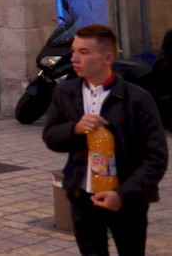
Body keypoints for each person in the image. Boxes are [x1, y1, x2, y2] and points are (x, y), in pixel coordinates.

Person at [43, 23, 167, 256]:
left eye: (84, 52)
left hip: (127, 200)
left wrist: (122, 194)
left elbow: (157, 157)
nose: (75, 58)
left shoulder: (137, 98)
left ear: (108, 57)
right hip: (82, 196)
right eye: (74, 51)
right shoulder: (66, 92)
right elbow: (50, 137)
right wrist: (75, 129)